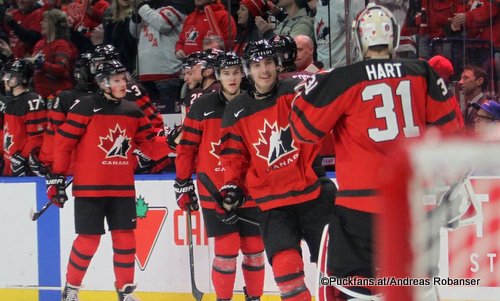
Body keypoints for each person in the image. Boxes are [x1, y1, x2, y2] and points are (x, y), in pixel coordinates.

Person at [289, 4, 463, 300]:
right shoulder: (422, 71)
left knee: (352, 287)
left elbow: (303, 131)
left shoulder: (345, 77)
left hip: (360, 207)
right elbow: (453, 130)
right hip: (413, 205)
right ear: (393, 37)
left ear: (358, 40)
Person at [219, 39, 335, 301]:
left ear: (277, 64)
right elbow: (233, 157)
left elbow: (326, 112)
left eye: (269, 63)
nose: (264, 70)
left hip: (313, 193)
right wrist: (231, 186)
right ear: (248, 69)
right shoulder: (236, 110)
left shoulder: (296, 91)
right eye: (257, 65)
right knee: (286, 271)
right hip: (273, 203)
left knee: (338, 270)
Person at [48, 60, 155, 301]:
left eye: (123, 79)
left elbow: (149, 146)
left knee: (126, 239)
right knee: (88, 240)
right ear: (103, 83)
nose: (123, 84)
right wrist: (56, 178)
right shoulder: (84, 106)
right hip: (89, 189)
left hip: (123, 188)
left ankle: (125, 289)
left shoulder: (132, 110)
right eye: (116, 80)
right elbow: (63, 145)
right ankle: (71, 289)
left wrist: (173, 142)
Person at [175, 51, 265, 301]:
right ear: (217, 76)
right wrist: (182, 184)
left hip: (250, 187)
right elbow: (187, 148)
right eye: (226, 73)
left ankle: (254, 298)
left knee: (255, 249)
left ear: (243, 73)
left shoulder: (253, 101)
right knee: (226, 250)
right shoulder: (202, 105)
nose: (232, 78)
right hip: (214, 189)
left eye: (236, 72)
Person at [31, 52, 97, 177]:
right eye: (95, 67)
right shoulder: (66, 98)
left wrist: (47, 162)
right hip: (84, 168)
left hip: (81, 168)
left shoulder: (65, 97)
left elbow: (53, 135)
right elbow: (54, 135)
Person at [130, 0, 193, 114]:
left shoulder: (178, 4)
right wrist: (136, 16)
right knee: (150, 118)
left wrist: (140, 6)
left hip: (167, 73)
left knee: (170, 117)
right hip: (145, 73)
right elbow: (134, 32)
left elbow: (163, 24)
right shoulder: (148, 8)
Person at [2, 59, 46, 176]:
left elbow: (37, 137)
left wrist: (22, 157)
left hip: (25, 167)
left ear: (20, 79)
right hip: (9, 163)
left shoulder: (32, 100)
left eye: (9, 76)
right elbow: (7, 132)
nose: (5, 79)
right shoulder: (10, 101)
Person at [26, 8, 78, 99]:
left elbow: (61, 69)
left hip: (57, 96)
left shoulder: (62, 45)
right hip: (38, 94)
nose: (41, 23)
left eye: (45, 21)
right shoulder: (39, 44)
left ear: (54, 24)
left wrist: (39, 64)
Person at [313, 0, 364, 68]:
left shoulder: (343, 4)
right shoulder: (318, 5)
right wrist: (306, 73)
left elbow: (358, 34)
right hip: (321, 70)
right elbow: (321, 50)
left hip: (341, 71)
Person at [102, 0, 137, 73]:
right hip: (113, 66)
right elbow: (107, 42)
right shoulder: (109, 17)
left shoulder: (136, 16)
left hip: (131, 66)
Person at [458, 65, 489, 130]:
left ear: (479, 81)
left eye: (465, 78)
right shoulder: (468, 107)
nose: (460, 82)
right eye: (461, 79)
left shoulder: (486, 108)